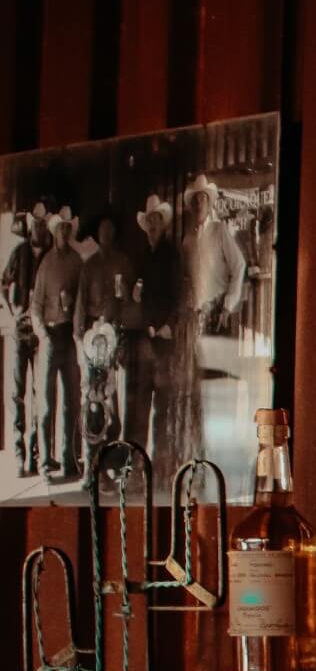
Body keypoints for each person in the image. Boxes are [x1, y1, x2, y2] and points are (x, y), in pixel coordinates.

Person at [164, 176, 244, 469]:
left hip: (218, 318)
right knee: (198, 388)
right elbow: (185, 281)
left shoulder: (220, 230)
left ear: (210, 203)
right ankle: (201, 452)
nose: (199, 203)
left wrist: (227, 305)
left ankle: (222, 457)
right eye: (195, 199)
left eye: (203, 198)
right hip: (195, 321)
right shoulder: (187, 240)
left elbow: (239, 268)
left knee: (219, 385)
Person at [30, 206, 83, 482]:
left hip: (69, 335)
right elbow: (35, 306)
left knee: (72, 401)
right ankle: (45, 465)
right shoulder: (46, 264)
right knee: (47, 404)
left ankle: (70, 460)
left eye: (67, 228)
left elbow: (82, 300)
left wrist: (75, 311)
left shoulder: (77, 261)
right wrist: (42, 332)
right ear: (54, 232)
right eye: (60, 228)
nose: (64, 232)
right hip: (49, 336)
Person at [74, 210, 135, 450]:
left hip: (116, 336)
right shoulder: (89, 266)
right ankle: (91, 462)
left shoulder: (124, 262)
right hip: (93, 340)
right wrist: (80, 339)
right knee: (92, 394)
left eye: (110, 231)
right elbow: (79, 303)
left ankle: (113, 457)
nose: (106, 235)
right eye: (102, 231)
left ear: (115, 234)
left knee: (114, 396)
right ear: (98, 235)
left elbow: (131, 301)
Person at [2, 203, 49, 476]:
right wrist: (12, 312)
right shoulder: (19, 253)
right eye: (37, 223)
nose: (40, 227)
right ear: (31, 225)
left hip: (41, 334)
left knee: (38, 394)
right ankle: (20, 455)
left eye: (44, 224)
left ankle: (36, 455)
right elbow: (3, 283)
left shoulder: (50, 256)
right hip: (20, 332)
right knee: (17, 394)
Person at [129, 193, 177, 456]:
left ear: (163, 224)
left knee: (162, 404)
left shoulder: (171, 254)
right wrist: (135, 294)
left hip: (164, 338)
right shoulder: (143, 254)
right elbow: (137, 293)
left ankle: (160, 462)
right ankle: (139, 463)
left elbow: (177, 296)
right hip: (145, 336)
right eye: (149, 221)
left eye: (157, 221)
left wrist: (165, 325)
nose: (153, 226)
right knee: (141, 404)